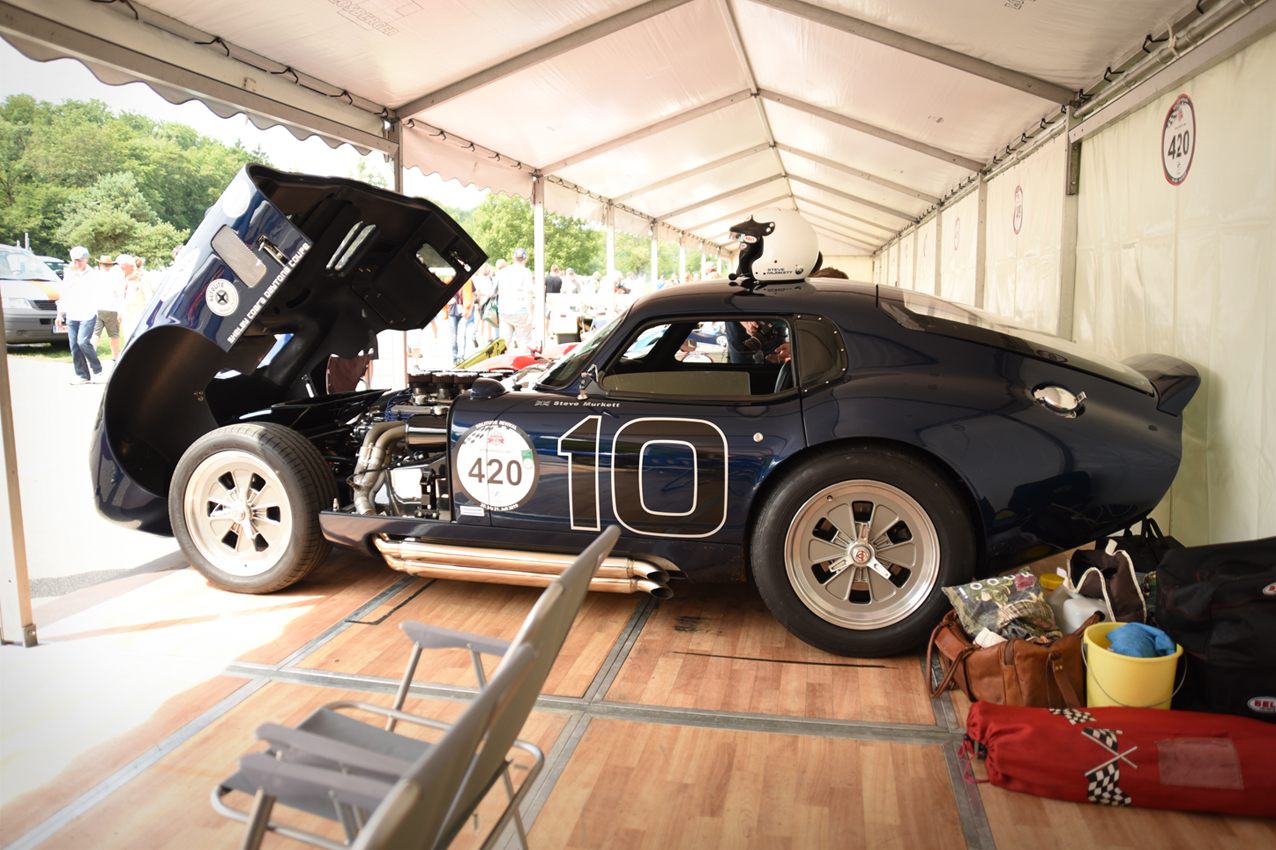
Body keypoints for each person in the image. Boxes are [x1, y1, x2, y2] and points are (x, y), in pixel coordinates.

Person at [54, 246, 103, 384]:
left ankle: (97, 369)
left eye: (79, 261)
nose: (76, 263)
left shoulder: (93, 274)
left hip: (87, 313)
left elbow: (87, 291)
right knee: (74, 345)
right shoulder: (69, 274)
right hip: (72, 313)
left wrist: (75, 274)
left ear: (86, 259)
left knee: (83, 342)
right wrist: (60, 314)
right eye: (74, 260)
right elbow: (64, 293)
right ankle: (82, 375)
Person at [495, 248, 534, 351]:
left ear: (513, 258)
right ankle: (523, 361)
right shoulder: (526, 273)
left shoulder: (502, 272)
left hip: (504, 311)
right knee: (524, 342)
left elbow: (494, 289)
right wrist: (531, 313)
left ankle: (503, 360)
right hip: (521, 312)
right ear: (525, 259)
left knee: (504, 343)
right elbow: (528, 293)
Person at [92, 254, 123, 363]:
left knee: (95, 334)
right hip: (112, 309)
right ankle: (115, 358)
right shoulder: (114, 277)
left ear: (100, 264)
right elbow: (119, 293)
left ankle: (92, 358)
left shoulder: (94, 276)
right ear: (111, 265)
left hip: (97, 308)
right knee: (114, 335)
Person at [117, 254, 151, 341]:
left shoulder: (140, 279)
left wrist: (146, 313)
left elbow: (148, 297)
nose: (121, 266)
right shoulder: (122, 280)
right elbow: (121, 297)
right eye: (120, 264)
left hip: (138, 314)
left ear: (131, 265)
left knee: (137, 338)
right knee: (127, 338)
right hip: (125, 314)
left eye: (123, 264)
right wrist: (119, 312)